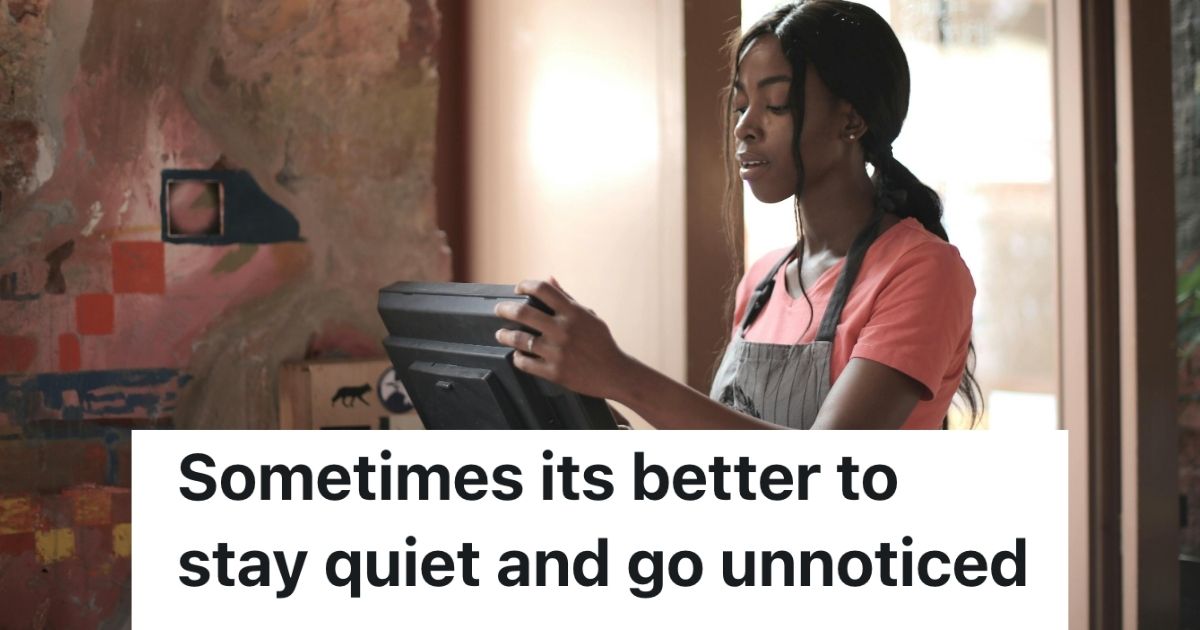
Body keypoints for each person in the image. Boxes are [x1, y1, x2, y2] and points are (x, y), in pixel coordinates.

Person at [494, 0, 980, 430]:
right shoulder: (763, 281)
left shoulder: (921, 272)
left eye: (776, 104)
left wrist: (620, 374)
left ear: (850, 121)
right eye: (741, 105)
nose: (745, 128)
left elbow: (832, 475)